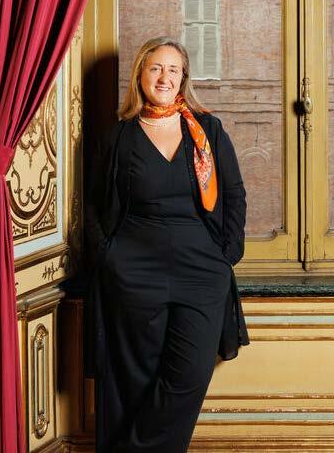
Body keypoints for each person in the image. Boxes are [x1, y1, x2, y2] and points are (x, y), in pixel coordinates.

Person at [84, 36, 248, 452]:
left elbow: (234, 194)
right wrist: (108, 256)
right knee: (137, 381)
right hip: (133, 273)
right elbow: (92, 204)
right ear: (140, 74)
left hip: (201, 270)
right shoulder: (117, 138)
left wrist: (227, 255)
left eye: (173, 69)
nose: (164, 77)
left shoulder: (208, 130)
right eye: (155, 67)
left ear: (183, 78)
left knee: (187, 377)